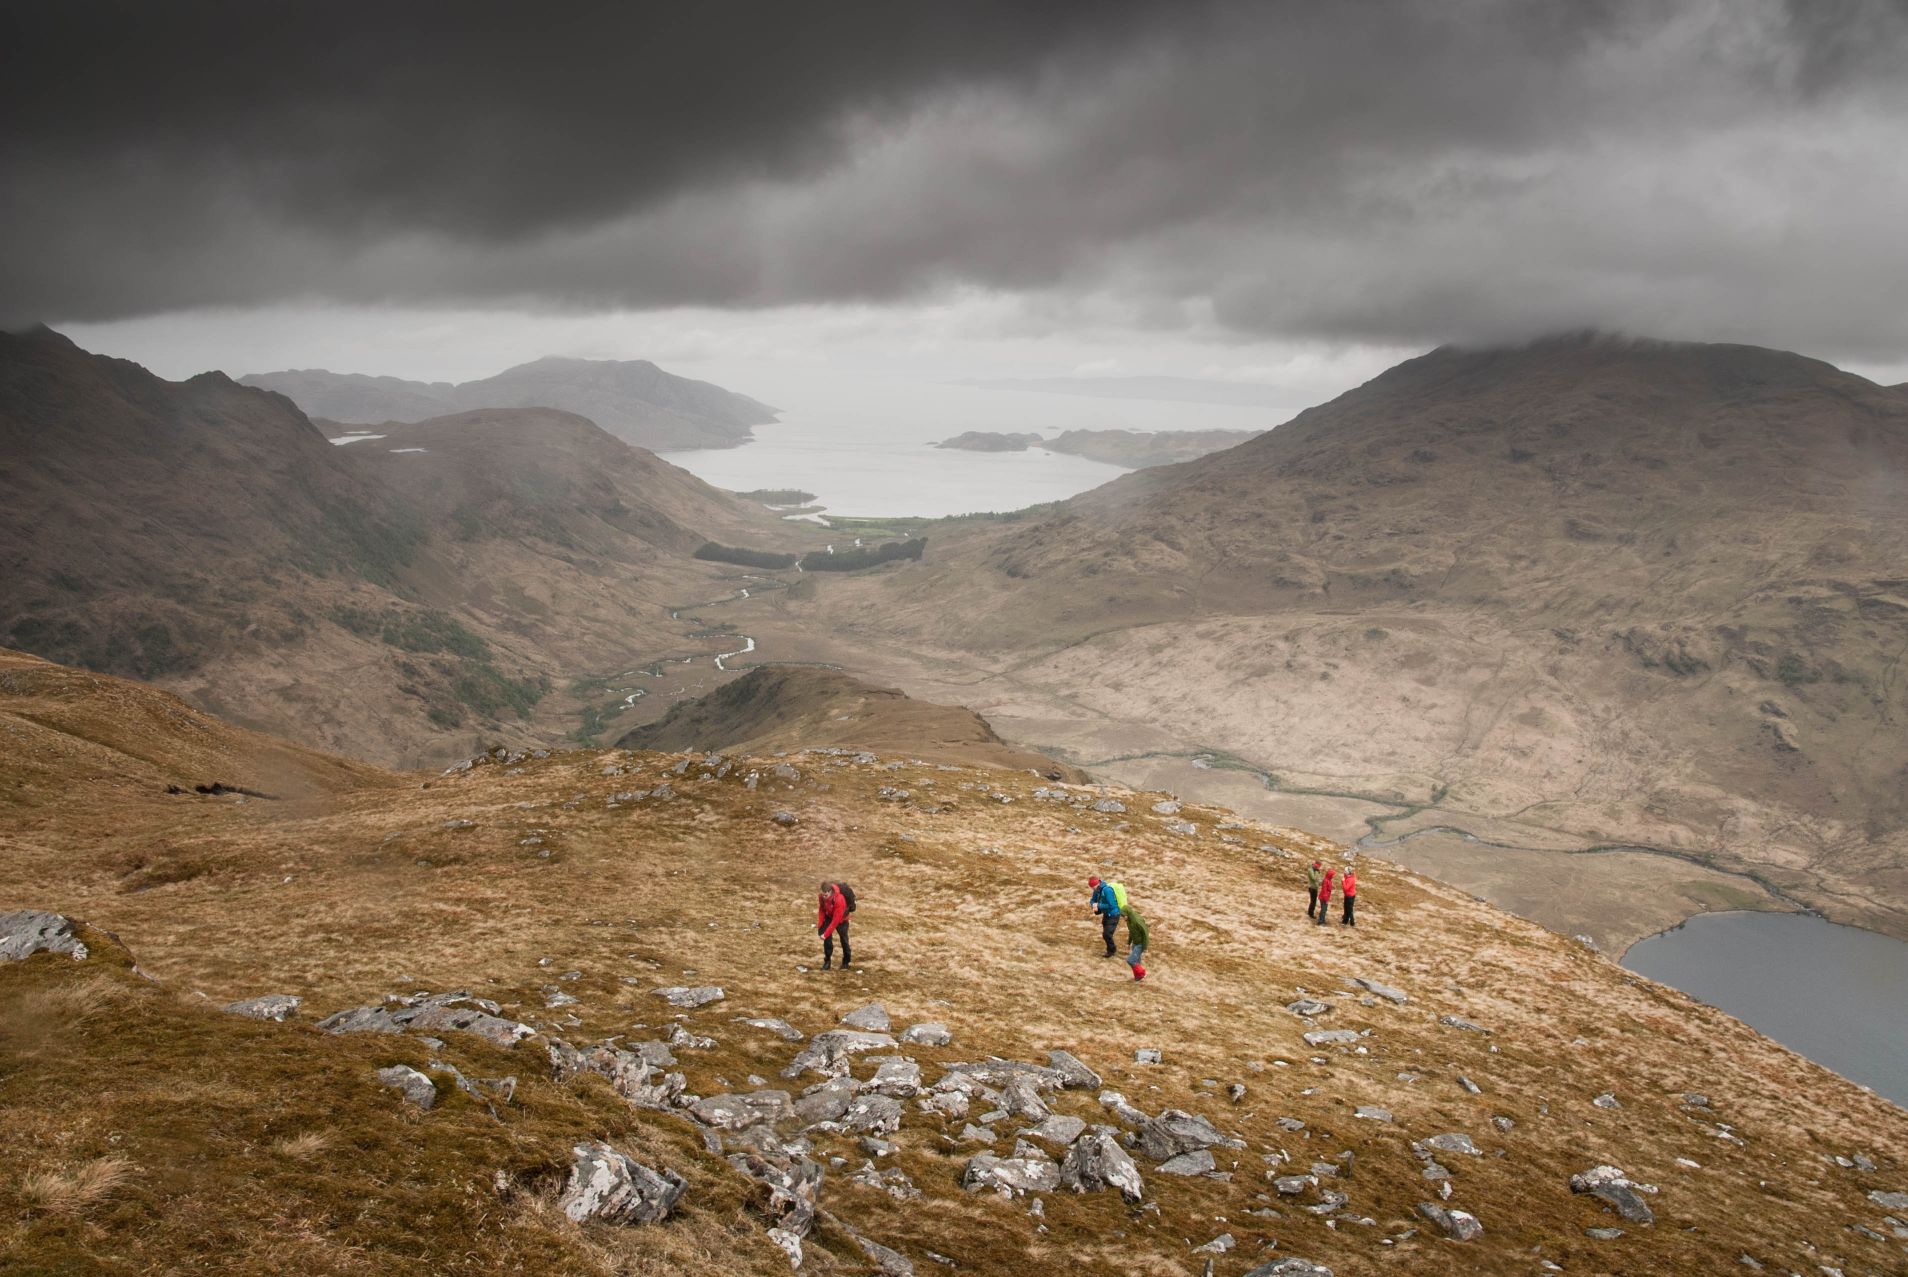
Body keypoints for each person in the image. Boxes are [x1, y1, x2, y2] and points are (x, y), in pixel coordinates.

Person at [817, 881, 851, 969]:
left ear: (830, 892)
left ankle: (846, 962)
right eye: (822, 894)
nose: (823, 897)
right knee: (827, 941)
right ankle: (827, 961)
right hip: (829, 916)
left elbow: (836, 921)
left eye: (825, 895)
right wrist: (820, 923)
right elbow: (822, 909)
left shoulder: (839, 899)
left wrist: (825, 934)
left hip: (841, 919)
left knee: (844, 940)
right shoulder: (822, 896)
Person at [1088, 875, 1122, 957]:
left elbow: (1112, 905)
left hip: (1114, 914)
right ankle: (1111, 949)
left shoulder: (1107, 890)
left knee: (1106, 934)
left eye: (1092, 887)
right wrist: (1093, 905)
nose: (1092, 889)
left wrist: (1098, 905)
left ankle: (1111, 951)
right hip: (1106, 914)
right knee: (1107, 934)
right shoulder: (1097, 890)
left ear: (1097, 884)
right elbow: (1092, 900)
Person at [1123, 903, 1150, 981]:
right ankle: (1138, 977)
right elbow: (1131, 932)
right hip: (1135, 943)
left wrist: (1145, 947)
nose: (1123, 918)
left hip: (1140, 944)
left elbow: (1145, 934)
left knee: (1130, 960)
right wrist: (1128, 943)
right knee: (1136, 962)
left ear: (1128, 914)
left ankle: (1142, 973)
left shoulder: (1137, 921)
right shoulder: (1129, 921)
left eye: (1124, 915)